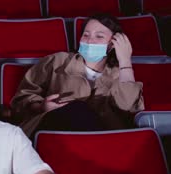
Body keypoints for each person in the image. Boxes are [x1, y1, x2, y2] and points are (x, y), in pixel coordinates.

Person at [10, 13, 144, 139]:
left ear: (113, 44)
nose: (90, 40)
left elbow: (127, 109)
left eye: (99, 36)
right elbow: (21, 99)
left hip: (101, 139)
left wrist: (125, 61)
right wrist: (41, 107)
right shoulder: (57, 61)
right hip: (51, 132)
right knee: (78, 108)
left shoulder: (120, 74)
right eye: (86, 35)